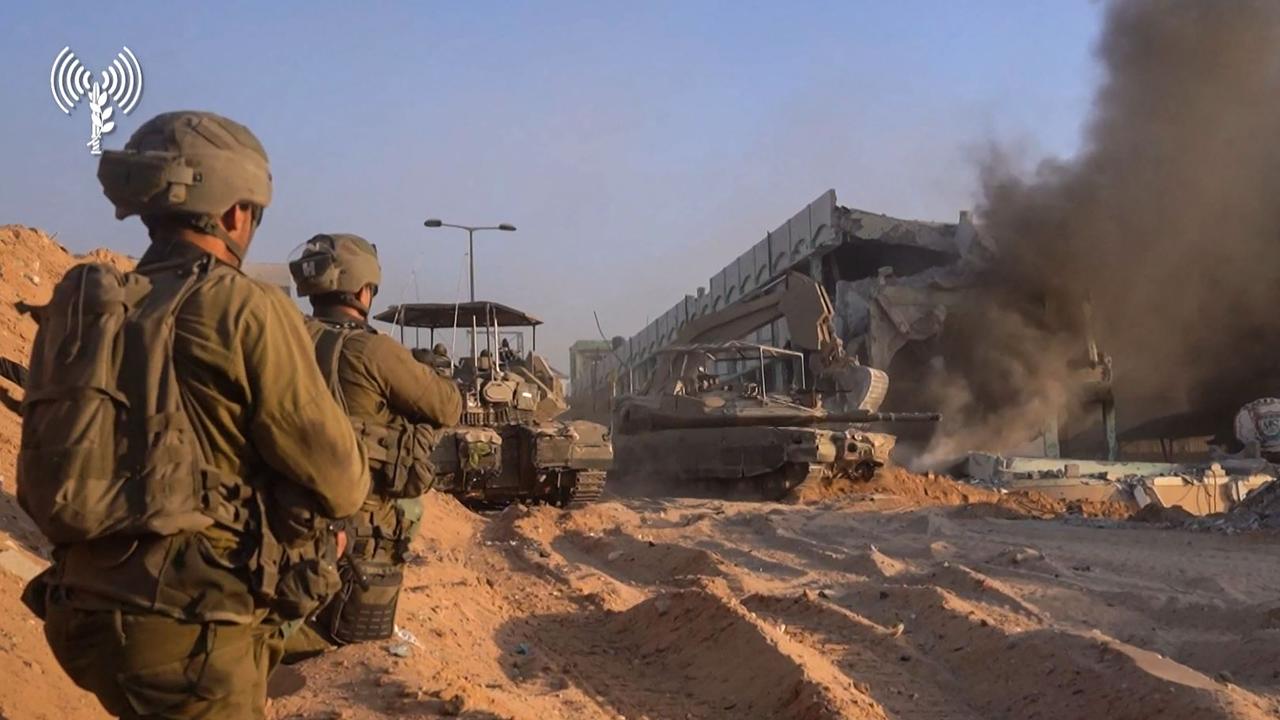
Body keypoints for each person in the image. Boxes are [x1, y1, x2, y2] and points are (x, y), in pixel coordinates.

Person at [20, 111, 370, 719]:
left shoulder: (101, 304)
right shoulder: (241, 308)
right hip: (188, 630)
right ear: (237, 212)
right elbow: (341, 479)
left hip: (81, 610)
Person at [284, 233, 462, 656]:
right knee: (407, 510)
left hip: (282, 508)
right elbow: (448, 406)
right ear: (365, 290)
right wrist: (429, 373)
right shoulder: (373, 351)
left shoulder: (283, 336)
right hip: (358, 526)